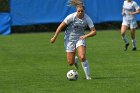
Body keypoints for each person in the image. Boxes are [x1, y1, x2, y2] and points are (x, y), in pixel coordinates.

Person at [50, 0, 96, 80]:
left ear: (84, 11)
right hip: (69, 39)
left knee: (82, 56)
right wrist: (54, 37)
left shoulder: (87, 18)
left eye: (82, 11)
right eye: (79, 11)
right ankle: (75, 60)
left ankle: (88, 76)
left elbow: (94, 31)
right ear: (76, 11)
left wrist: (85, 36)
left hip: (80, 38)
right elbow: (60, 26)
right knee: (70, 63)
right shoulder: (71, 17)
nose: (80, 12)